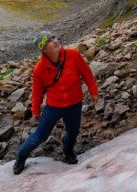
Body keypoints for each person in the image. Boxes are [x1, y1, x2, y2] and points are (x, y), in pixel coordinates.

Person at [13, 31, 99, 175]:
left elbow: (86, 73)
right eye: (49, 40)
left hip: (75, 104)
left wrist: (93, 90)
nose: (55, 40)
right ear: (44, 48)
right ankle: (21, 157)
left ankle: (68, 151)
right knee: (39, 136)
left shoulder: (73, 55)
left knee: (73, 132)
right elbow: (37, 92)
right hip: (54, 107)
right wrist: (35, 111)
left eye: (54, 37)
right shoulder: (40, 69)